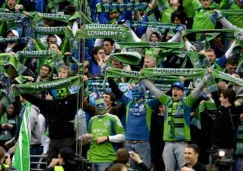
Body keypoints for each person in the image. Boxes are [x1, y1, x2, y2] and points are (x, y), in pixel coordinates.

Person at [142, 77, 207, 171]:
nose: (175, 91)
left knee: (184, 169)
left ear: (182, 92)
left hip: (182, 143)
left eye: (178, 89)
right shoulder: (166, 100)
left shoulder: (187, 102)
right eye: (173, 89)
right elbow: (154, 90)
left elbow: (197, 90)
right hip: (168, 143)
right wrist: (143, 79)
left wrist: (205, 78)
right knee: (168, 169)